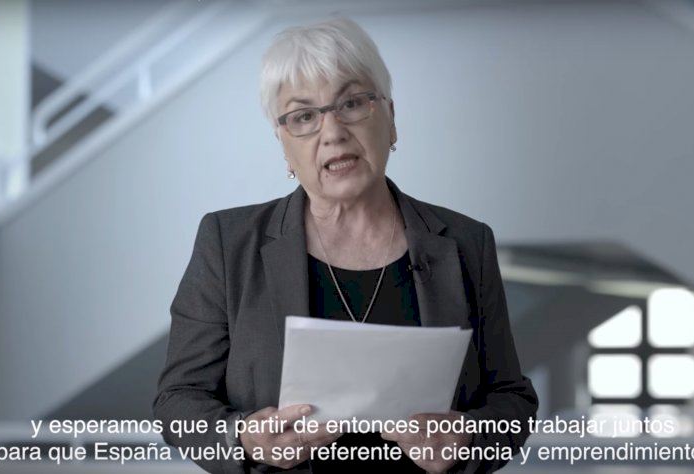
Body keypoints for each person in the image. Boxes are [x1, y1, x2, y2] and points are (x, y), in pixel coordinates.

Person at [154, 17, 538, 474]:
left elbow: (512, 399)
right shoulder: (227, 241)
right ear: (283, 143)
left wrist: (468, 439)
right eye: (304, 117)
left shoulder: (466, 242)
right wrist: (244, 438)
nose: (332, 132)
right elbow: (178, 399)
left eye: (352, 103)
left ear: (390, 119)